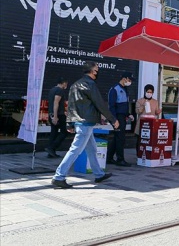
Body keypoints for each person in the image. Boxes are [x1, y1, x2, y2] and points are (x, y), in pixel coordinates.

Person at [51, 61, 118, 189]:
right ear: (93, 71)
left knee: (91, 148)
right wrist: (112, 119)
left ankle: (99, 174)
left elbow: (70, 105)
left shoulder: (75, 85)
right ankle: (58, 177)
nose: (98, 72)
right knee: (75, 150)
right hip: (85, 122)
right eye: (97, 69)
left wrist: (69, 122)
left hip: (80, 122)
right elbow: (99, 103)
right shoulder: (90, 84)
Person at [107, 72, 135, 167]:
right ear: (124, 78)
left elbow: (124, 105)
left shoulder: (125, 89)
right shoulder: (115, 89)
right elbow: (112, 106)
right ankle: (120, 159)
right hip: (117, 117)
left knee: (117, 138)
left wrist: (128, 114)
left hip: (122, 116)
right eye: (129, 80)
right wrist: (114, 120)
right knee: (120, 138)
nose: (130, 82)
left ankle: (109, 158)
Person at [45, 77, 68, 158]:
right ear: (63, 83)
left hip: (51, 114)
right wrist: (55, 116)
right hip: (59, 114)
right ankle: (51, 148)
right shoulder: (59, 90)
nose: (66, 85)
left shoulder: (52, 90)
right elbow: (56, 102)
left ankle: (51, 152)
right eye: (66, 83)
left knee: (54, 132)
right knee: (64, 132)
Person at [134, 84, 161, 150]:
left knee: (151, 140)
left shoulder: (155, 102)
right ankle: (139, 155)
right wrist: (143, 106)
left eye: (151, 92)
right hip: (142, 123)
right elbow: (137, 111)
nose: (149, 93)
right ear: (145, 91)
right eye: (148, 92)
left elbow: (156, 112)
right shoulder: (140, 101)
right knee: (140, 140)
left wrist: (158, 112)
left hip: (152, 124)